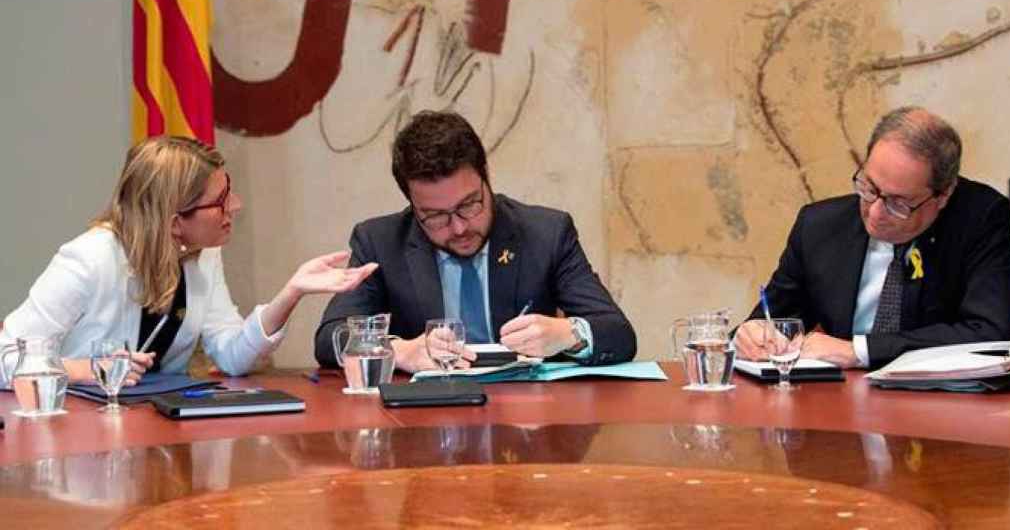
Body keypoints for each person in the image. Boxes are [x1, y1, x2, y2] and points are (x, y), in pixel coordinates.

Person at [0, 136, 377, 387]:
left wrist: (291, 292)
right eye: (220, 201)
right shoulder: (88, 259)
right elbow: (5, 359)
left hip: (163, 436)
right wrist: (83, 370)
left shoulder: (203, 255)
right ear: (175, 222)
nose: (236, 207)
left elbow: (231, 356)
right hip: (84, 448)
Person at [315, 110, 636, 372]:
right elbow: (330, 336)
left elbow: (619, 334)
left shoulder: (545, 232)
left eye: (470, 205)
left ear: (486, 178)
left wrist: (568, 335)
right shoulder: (380, 243)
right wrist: (399, 351)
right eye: (436, 216)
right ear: (412, 205)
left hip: (528, 423)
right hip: (421, 426)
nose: (457, 228)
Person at [735, 106, 1010, 368]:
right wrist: (753, 334)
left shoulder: (979, 219)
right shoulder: (819, 226)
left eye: (898, 203)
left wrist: (858, 351)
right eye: (869, 188)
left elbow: (989, 331)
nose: (875, 213)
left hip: (940, 407)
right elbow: (775, 317)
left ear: (943, 195)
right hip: (836, 403)